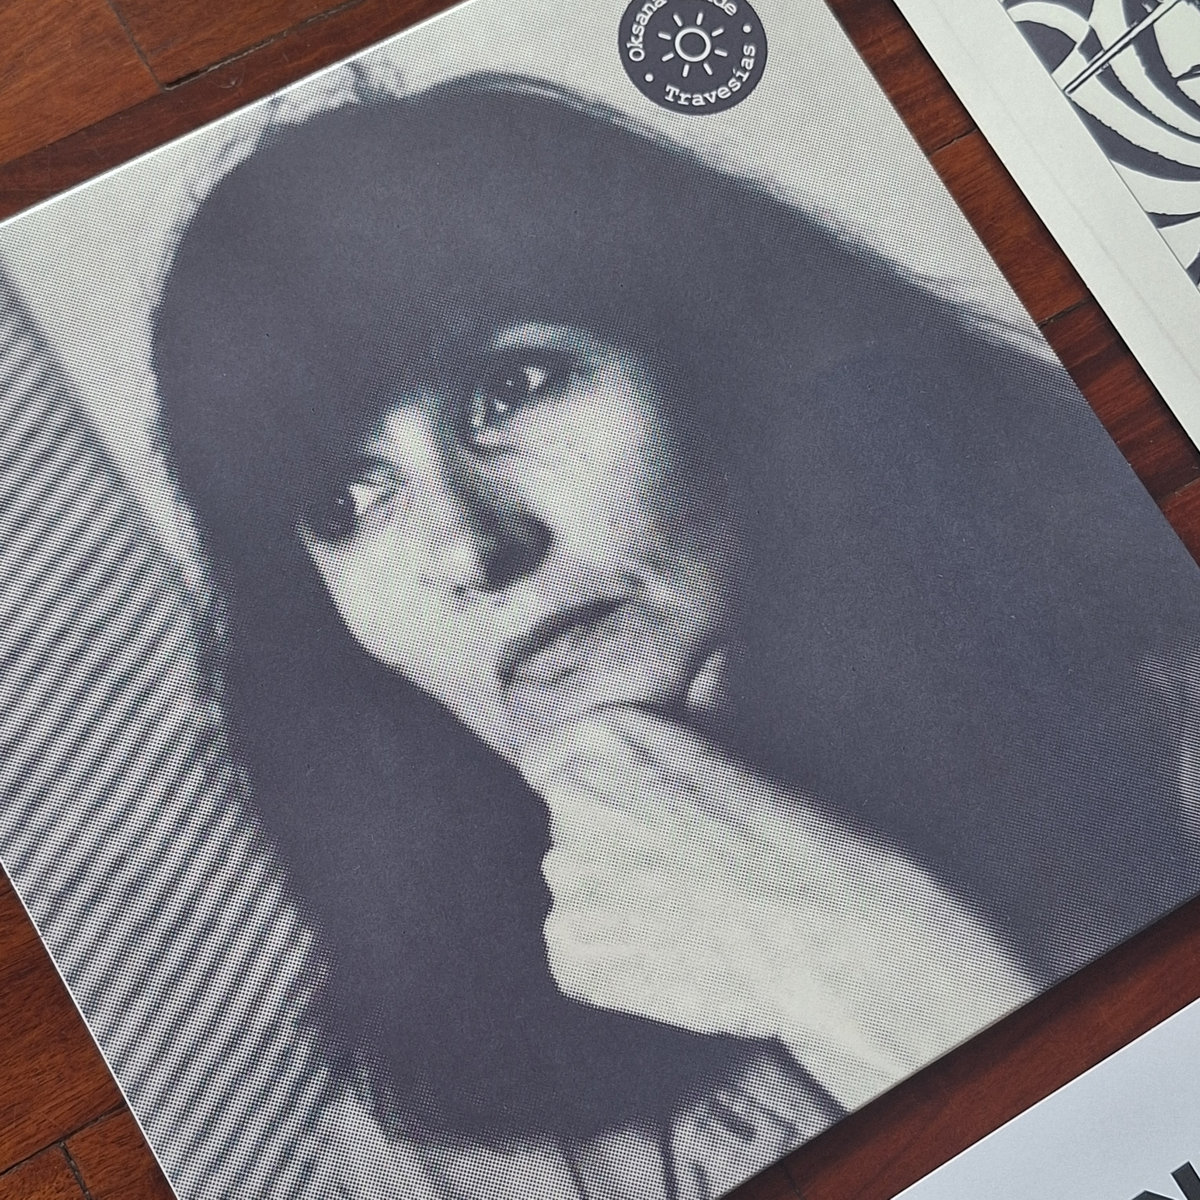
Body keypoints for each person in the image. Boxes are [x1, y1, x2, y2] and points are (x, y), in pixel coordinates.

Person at [151, 73, 1200, 1197]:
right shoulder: (424, 1164)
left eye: (514, 385)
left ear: (719, 369)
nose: (466, 545)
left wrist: (866, 969)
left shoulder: (1168, 717)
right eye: (346, 499)